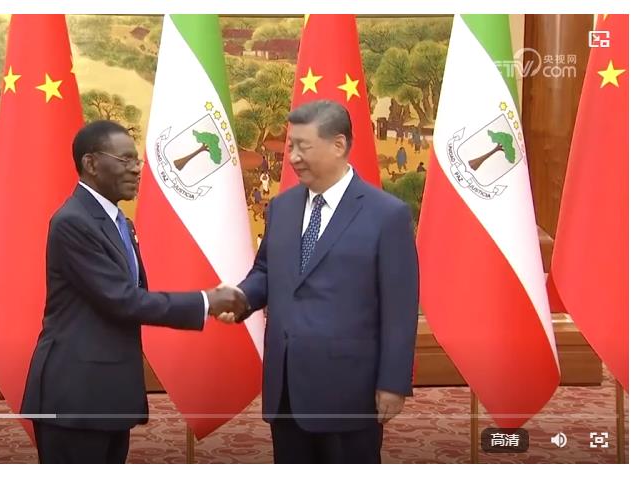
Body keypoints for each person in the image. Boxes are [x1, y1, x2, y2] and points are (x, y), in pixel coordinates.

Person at [20, 120, 245, 464]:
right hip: (75, 395)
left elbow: (135, 293)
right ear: (91, 163)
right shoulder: (73, 222)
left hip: (107, 393)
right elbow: (122, 300)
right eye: (125, 160)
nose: (137, 169)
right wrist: (206, 302)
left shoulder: (119, 222)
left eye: (136, 160)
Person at [220, 100, 419, 463]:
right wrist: (241, 298)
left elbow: (400, 308)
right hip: (286, 388)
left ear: (338, 145)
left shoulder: (386, 215)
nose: (293, 157)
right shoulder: (282, 208)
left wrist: (393, 381)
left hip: (349, 391)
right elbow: (266, 271)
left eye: (303, 146)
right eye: (290, 146)